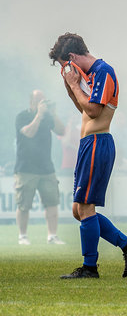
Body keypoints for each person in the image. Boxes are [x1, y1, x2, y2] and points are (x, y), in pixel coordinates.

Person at [49, 32, 127, 279]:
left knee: (86, 207)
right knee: (78, 210)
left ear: (71, 57)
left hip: (98, 142)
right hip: (87, 144)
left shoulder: (104, 71)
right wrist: (70, 86)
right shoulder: (90, 75)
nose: (66, 70)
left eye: (64, 64)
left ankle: (89, 268)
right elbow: (82, 106)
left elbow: (92, 111)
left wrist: (72, 84)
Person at [14, 90, 66, 245]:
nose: (42, 103)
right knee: (24, 204)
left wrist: (53, 113)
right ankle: (22, 236)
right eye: (39, 100)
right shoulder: (22, 116)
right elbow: (28, 133)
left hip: (46, 167)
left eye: (44, 100)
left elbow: (61, 131)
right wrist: (39, 115)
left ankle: (52, 235)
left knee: (52, 202)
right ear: (32, 102)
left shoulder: (48, 117)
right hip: (26, 168)